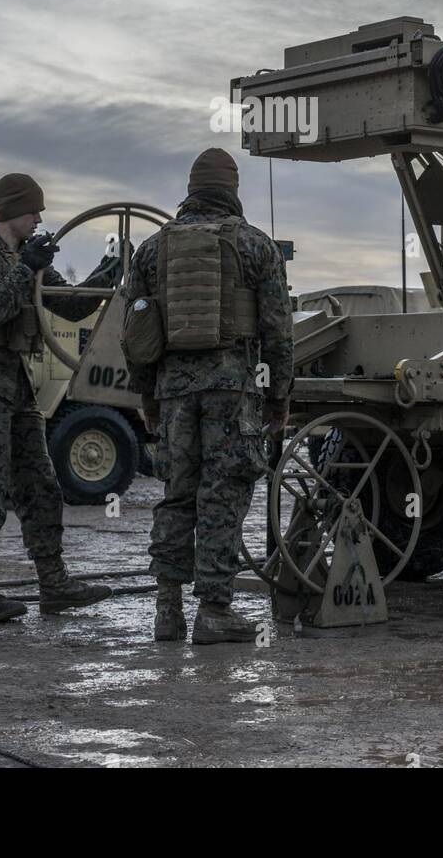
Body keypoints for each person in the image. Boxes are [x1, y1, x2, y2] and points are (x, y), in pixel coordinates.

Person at [125, 148, 294, 644]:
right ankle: (215, 610)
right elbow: (278, 331)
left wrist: (147, 396)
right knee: (222, 494)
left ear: (192, 189)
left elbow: (135, 333)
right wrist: (279, 396)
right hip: (231, 391)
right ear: (232, 189)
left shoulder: (151, 250)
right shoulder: (256, 246)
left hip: (173, 395)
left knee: (176, 495)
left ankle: (167, 612)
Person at [0, 172, 114, 623]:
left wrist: (110, 268)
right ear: (11, 211)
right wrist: (27, 266)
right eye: (33, 210)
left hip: (16, 390)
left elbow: (71, 305)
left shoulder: (27, 258)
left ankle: (54, 584)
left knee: (41, 487)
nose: (39, 218)